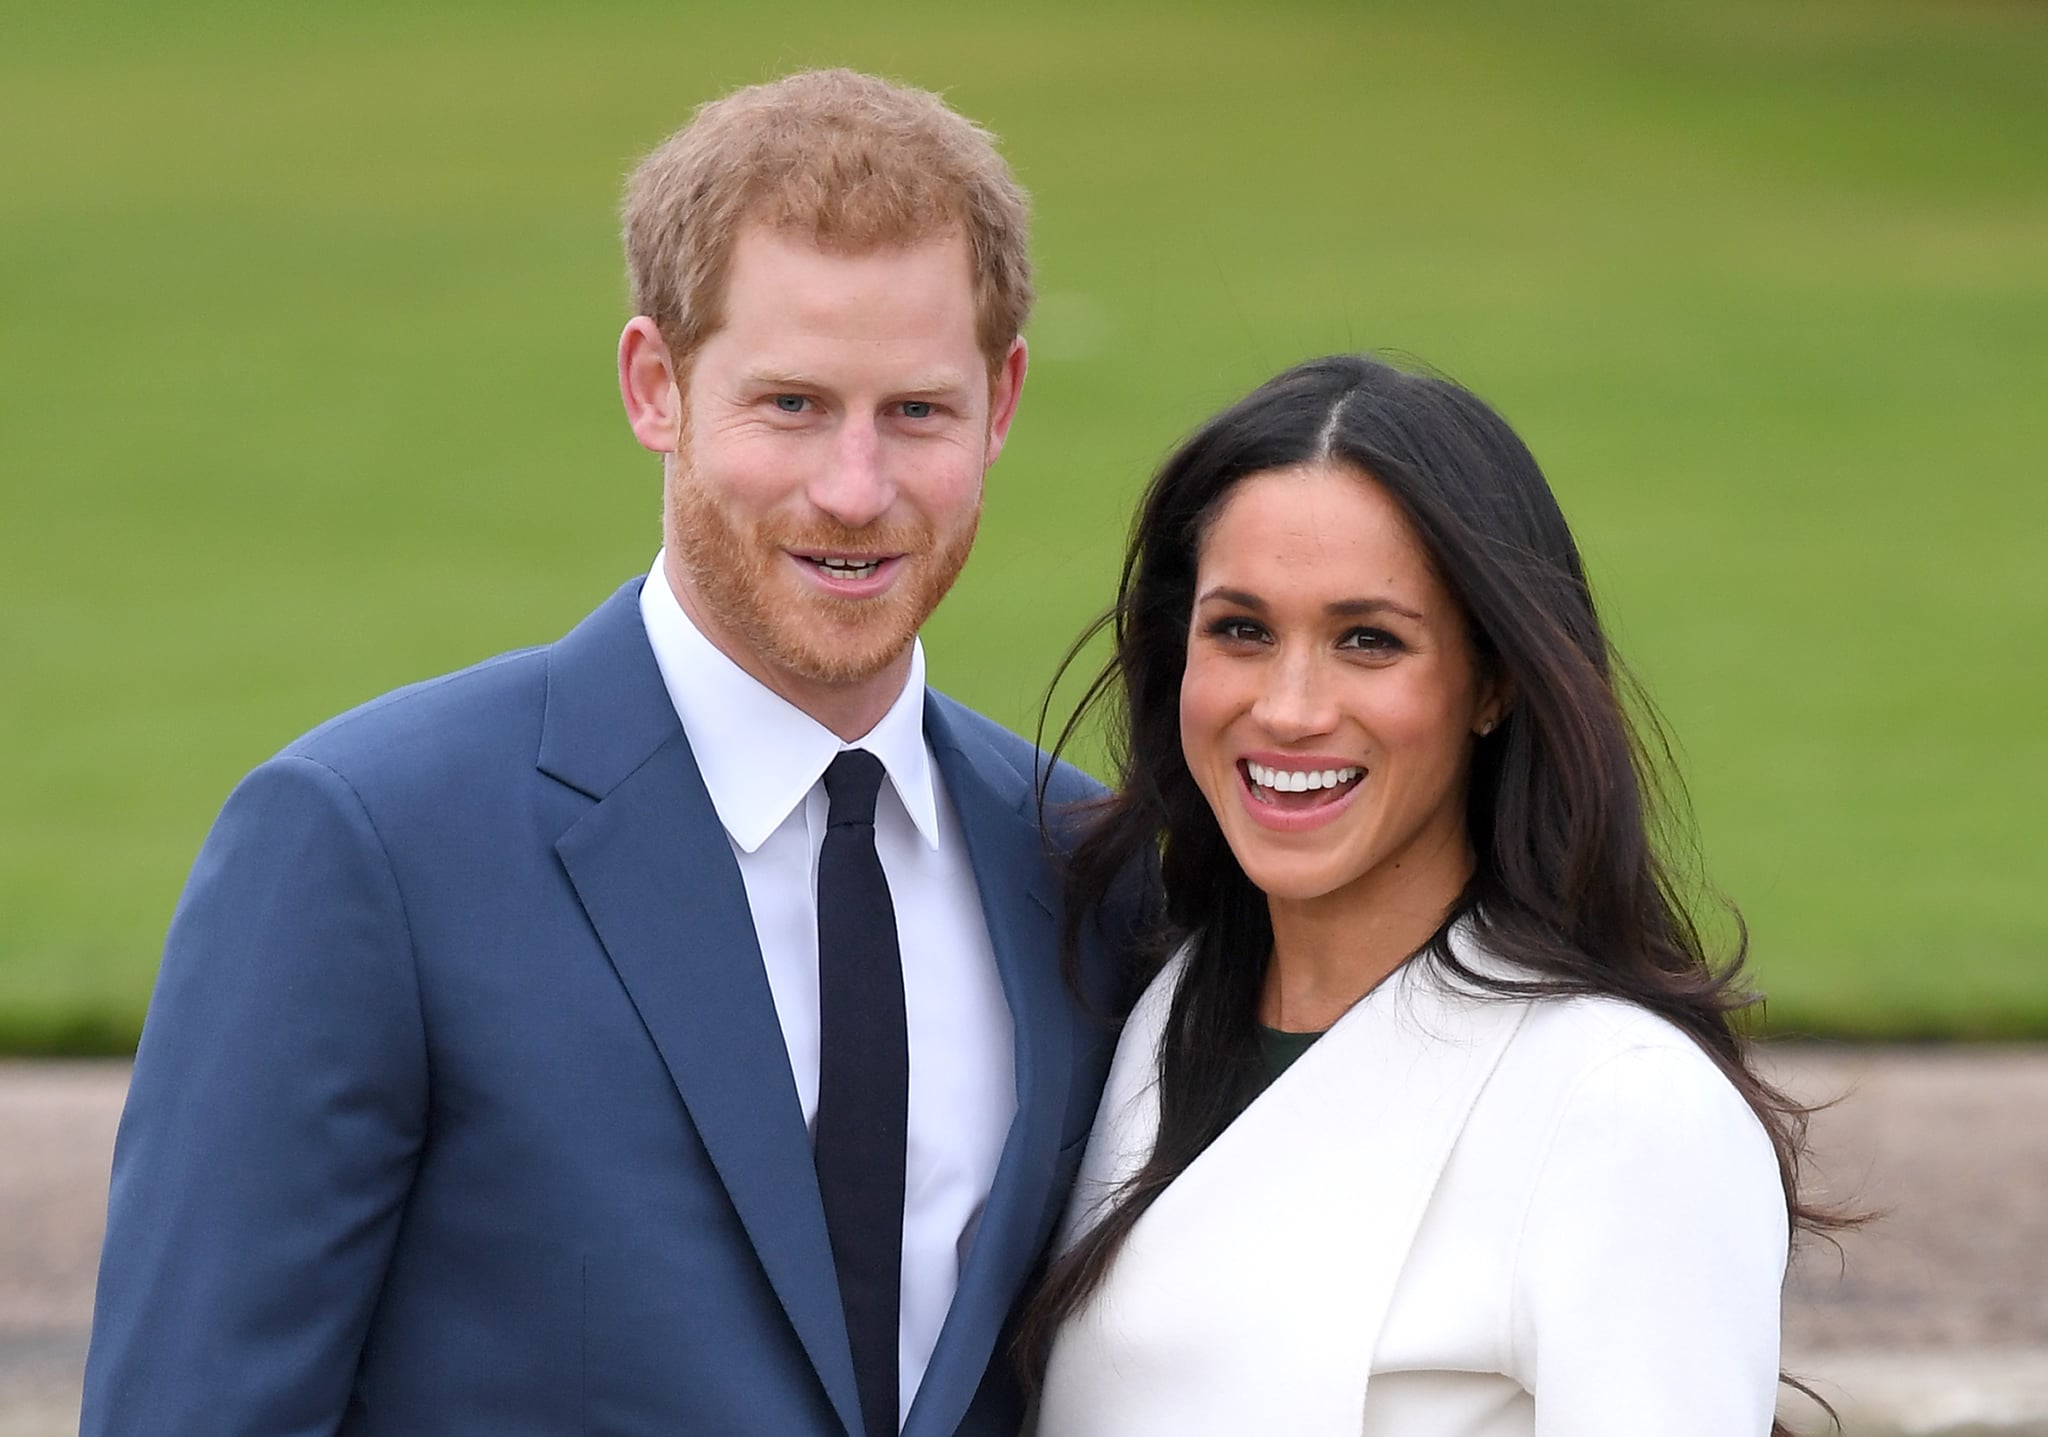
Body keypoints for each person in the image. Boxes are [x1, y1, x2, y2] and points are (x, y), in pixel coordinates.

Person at [81, 69, 1136, 1437]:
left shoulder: (1086, 864)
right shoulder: (369, 845)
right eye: (793, 405)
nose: (857, 492)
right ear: (658, 385)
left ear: (1001, 402)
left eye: (916, 413)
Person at [1024, 355, 1830, 1435]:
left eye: (1368, 640)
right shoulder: (1140, 1002)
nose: (1290, 707)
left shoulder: (1619, 1106)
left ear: (1491, 681)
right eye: (1240, 630)